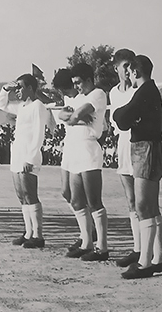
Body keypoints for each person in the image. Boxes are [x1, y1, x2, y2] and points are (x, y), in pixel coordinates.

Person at [113, 55, 162, 279]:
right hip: (151, 147)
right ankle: (159, 258)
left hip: (145, 149)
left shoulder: (143, 92)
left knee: (143, 206)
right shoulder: (151, 91)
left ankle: (145, 262)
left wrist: (128, 117)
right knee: (151, 207)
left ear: (135, 73)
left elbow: (122, 118)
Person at [58, 63, 110, 261]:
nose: (77, 86)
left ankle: (102, 248)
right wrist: (74, 116)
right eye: (74, 83)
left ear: (89, 79)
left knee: (94, 201)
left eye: (79, 82)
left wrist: (75, 117)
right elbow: (62, 114)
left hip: (88, 148)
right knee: (76, 200)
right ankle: (87, 242)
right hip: (73, 149)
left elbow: (76, 115)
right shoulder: (78, 97)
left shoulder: (98, 94)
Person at [0, 73, 49, 248]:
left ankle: (38, 234)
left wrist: (31, 158)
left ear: (30, 88)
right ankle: (28, 232)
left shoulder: (38, 106)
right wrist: (6, 89)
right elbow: (1, 104)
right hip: (18, 153)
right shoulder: (21, 107)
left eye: (20, 87)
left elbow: (39, 134)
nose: (17, 91)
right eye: (16, 87)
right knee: (21, 196)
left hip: (29, 154)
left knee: (30, 194)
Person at [109, 49, 140, 267]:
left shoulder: (140, 88)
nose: (128, 70)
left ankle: (150, 251)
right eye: (125, 66)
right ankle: (138, 248)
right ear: (116, 68)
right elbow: (114, 122)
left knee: (145, 202)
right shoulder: (113, 92)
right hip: (123, 147)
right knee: (131, 200)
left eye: (131, 66)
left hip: (139, 145)